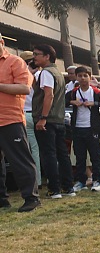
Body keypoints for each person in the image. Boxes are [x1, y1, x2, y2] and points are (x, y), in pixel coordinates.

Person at [0, 34, 40, 212]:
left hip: (11, 120)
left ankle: (31, 198)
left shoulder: (15, 62)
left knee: (20, 160)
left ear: (1, 41)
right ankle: (2, 200)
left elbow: (24, 87)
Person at [32, 43, 74, 198]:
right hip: (58, 119)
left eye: (37, 54)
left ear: (47, 56)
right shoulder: (57, 72)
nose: (34, 57)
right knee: (62, 154)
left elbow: (48, 95)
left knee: (48, 154)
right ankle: (68, 187)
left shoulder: (46, 73)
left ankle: (54, 189)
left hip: (47, 120)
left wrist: (42, 118)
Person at [68, 66, 100, 192]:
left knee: (95, 156)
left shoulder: (96, 92)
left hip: (92, 129)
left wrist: (94, 103)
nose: (83, 79)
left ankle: (97, 180)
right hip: (78, 128)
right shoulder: (73, 92)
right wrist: (72, 102)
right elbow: (63, 101)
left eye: (85, 76)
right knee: (80, 157)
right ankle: (81, 181)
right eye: (80, 76)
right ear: (76, 77)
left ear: (90, 77)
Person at [19, 51, 41, 187]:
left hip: (25, 114)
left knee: (29, 150)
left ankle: (35, 181)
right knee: (39, 150)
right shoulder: (40, 75)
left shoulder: (21, 75)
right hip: (39, 114)